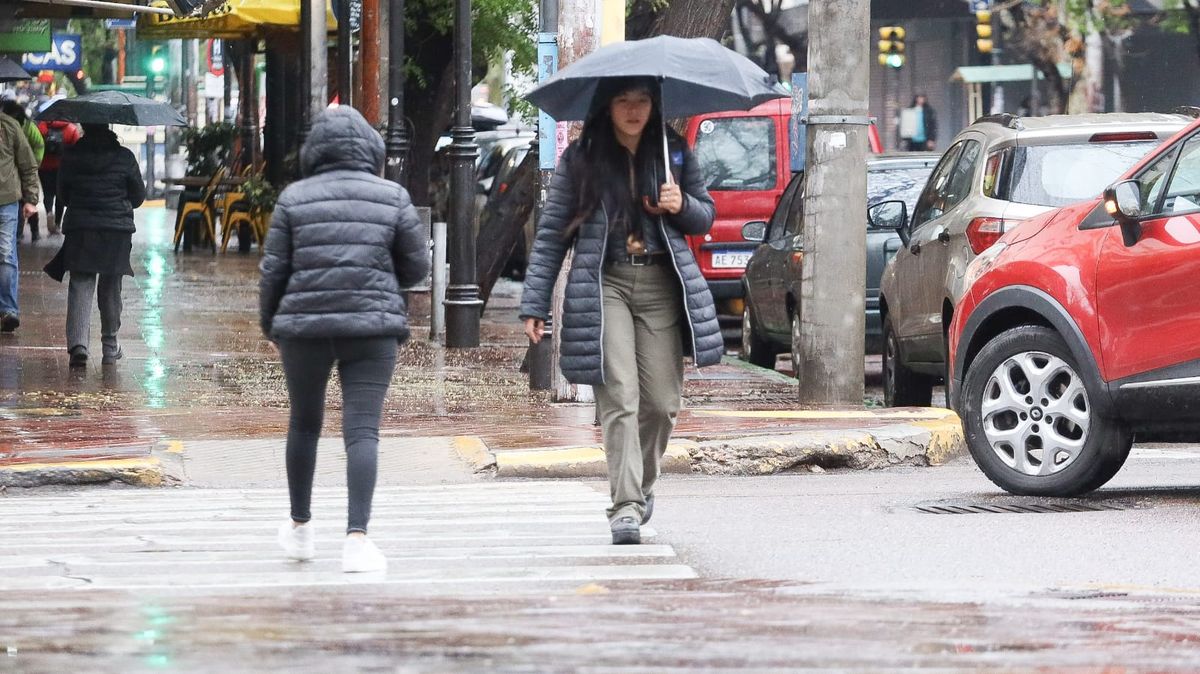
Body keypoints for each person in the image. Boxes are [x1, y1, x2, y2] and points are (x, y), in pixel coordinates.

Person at [519, 77, 723, 545]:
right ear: (606, 106)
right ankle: (625, 506)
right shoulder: (583, 159)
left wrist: (682, 204)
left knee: (662, 404)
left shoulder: (672, 152)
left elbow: (705, 216)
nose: (633, 109)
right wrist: (535, 302)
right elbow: (552, 234)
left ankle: (642, 485)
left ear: (654, 105)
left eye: (643, 100)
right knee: (620, 397)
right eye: (623, 100)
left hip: (660, 285)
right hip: (605, 283)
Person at [259, 106, 429, 573]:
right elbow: (417, 268)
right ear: (371, 147)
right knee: (362, 430)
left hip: (304, 328)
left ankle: (300, 529)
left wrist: (270, 323)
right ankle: (357, 539)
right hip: (373, 328)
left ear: (315, 149)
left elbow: (274, 270)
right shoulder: (392, 196)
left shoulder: (294, 198)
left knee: (304, 423)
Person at [52, 123, 145, 367]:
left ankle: (78, 346)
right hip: (116, 232)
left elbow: (62, 194)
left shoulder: (72, 156)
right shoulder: (125, 157)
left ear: (84, 127)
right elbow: (138, 197)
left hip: (81, 228)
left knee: (81, 284)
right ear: (108, 128)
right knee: (111, 287)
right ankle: (110, 346)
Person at [0, 109, 39, 334]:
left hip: (7, 202)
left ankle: (8, 310)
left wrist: (31, 199)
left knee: (5, 254)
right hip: (9, 202)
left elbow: (27, 164)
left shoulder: (10, 126)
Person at [2, 101, 45, 242]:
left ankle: (30, 231)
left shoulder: (22, 126)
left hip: (19, 173)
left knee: (23, 203)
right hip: (12, 173)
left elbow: (38, 145)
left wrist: (35, 162)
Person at [33, 118, 81, 237]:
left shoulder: (42, 127)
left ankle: (49, 211)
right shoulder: (71, 128)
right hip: (63, 167)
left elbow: (35, 144)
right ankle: (57, 224)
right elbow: (77, 149)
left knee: (48, 193)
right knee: (60, 195)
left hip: (45, 166)